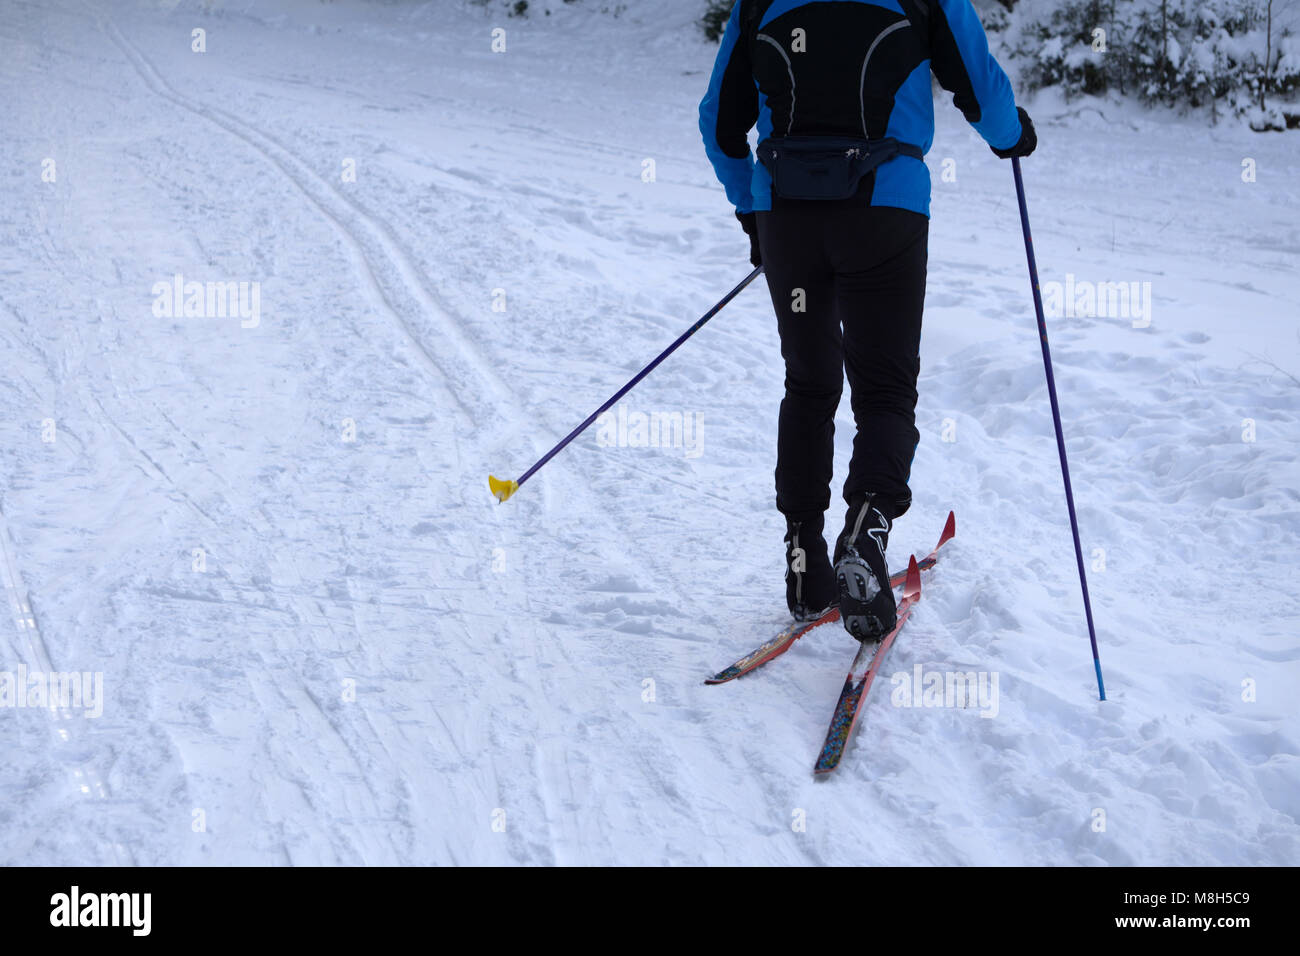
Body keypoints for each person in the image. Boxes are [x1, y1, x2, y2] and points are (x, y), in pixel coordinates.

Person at [699, 0, 1035, 641]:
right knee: (883, 388)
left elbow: (719, 123)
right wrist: (1009, 134)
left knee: (809, 382)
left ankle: (804, 554)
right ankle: (867, 529)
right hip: (884, 213)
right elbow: (979, 82)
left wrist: (753, 211)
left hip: (789, 219)